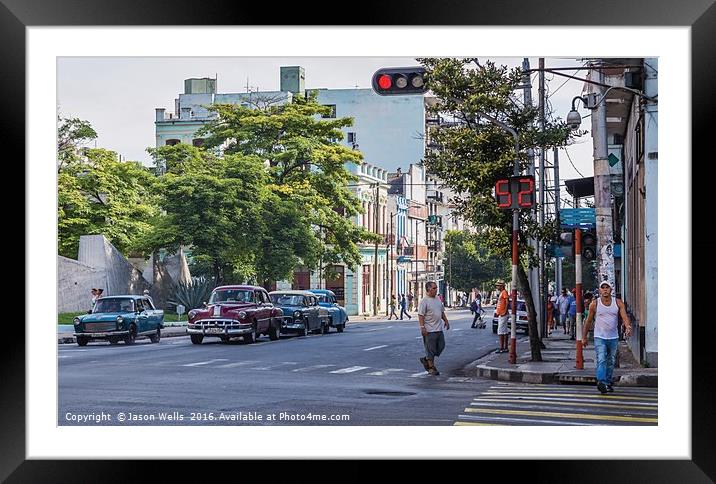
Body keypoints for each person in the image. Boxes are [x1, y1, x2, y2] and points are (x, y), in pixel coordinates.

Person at [582, 281, 632, 394]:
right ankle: (601, 381)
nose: (605, 290)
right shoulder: (595, 304)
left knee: (611, 361)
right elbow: (588, 321)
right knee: (601, 358)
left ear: (611, 290)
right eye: (603, 288)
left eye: (607, 287)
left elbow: (624, 316)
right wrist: (584, 337)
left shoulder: (618, 302)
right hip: (599, 336)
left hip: (613, 337)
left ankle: (608, 382)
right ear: (599, 290)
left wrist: (628, 326)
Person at [417, 281, 450, 375]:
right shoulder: (424, 301)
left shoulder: (437, 299)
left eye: (436, 288)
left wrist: (446, 321)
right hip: (429, 330)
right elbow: (421, 315)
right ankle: (431, 368)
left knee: (441, 346)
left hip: (439, 328)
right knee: (430, 349)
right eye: (434, 288)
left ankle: (426, 359)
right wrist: (422, 327)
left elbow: (441, 311)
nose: (436, 290)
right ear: (429, 289)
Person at [495, 280, 510, 353]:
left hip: (503, 314)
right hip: (501, 313)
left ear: (501, 286)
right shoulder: (501, 293)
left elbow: (507, 302)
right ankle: (505, 347)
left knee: (500, 331)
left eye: (498, 285)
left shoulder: (504, 292)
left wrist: (505, 311)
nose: (497, 287)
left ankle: (502, 347)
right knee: (504, 331)